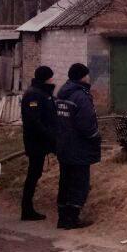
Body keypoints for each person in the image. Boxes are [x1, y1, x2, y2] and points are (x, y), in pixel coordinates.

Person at [54, 62, 102, 230]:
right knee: (79, 183)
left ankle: (62, 218)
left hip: (64, 146)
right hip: (79, 147)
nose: (89, 77)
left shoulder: (62, 94)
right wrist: (96, 137)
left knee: (65, 182)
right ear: (83, 76)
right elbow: (86, 124)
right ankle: (72, 219)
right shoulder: (81, 96)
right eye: (87, 74)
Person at [18, 66, 58, 221]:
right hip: (36, 141)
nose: (52, 79)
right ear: (45, 78)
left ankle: (27, 208)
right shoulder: (33, 95)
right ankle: (26, 209)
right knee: (34, 173)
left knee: (35, 173)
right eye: (50, 77)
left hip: (42, 140)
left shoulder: (43, 93)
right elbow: (35, 121)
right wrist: (50, 136)